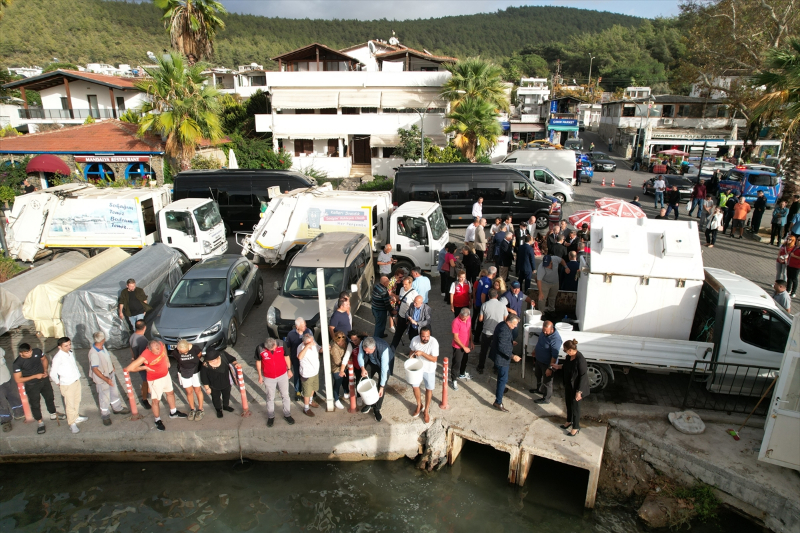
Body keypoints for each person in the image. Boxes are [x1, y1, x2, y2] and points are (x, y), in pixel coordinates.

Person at [126, 339, 187, 431]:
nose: (159, 352)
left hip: (166, 375)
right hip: (155, 380)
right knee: (156, 401)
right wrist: (144, 367)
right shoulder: (145, 355)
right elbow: (130, 368)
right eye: (156, 351)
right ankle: (157, 419)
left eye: (159, 349)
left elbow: (163, 348)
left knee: (170, 393)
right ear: (150, 349)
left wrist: (166, 358)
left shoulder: (160, 344)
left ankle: (173, 412)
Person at [13, 343, 63, 434]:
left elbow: (44, 359)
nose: (30, 353)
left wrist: (45, 370)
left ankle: (53, 414)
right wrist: (35, 376)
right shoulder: (17, 363)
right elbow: (18, 379)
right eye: (27, 353)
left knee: (50, 397)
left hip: (44, 381)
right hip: (32, 385)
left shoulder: (37, 352)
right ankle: (40, 422)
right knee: (35, 404)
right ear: (21, 353)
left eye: (31, 351)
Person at [88, 332, 129, 426]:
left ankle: (117, 408)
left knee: (114, 392)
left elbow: (108, 358)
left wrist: (112, 366)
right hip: (102, 378)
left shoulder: (102, 347)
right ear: (103, 340)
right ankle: (105, 415)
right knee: (104, 396)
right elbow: (95, 369)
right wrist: (106, 379)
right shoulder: (94, 353)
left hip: (110, 374)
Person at [50, 337, 88, 434]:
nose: (68, 347)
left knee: (77, 400)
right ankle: (72, 424)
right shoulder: (57, 358)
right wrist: (59, 383)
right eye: (66, 345)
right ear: (59, 347)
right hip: (67, 383)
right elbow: (53, 373)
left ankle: (76, 417)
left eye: (69, 344)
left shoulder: (70, 353)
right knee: (70, 404)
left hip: (75, 380)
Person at [255, 337, 294, 426]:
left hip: (282, 375)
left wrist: (289, 369)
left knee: (285, 395)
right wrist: (260, 376)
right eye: (272, 349)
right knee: (270, 397)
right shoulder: (259, 348)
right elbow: (258, 362)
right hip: (268, 377)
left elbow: (287, 356)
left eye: (275, 347)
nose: (275, 349)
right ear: (267, 348)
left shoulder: (281, 344)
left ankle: (287, 414)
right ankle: (271, 416)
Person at [489, 315, 521, 412]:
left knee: (501, 377)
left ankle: (501, 390)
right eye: (515, 324)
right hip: (502, 359)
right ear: (509, 322)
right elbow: (502, 347)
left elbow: (503, 341)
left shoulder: (502, 325)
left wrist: (511, 342)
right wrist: (513, 356)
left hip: (499, 357)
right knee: (503, 378)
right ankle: (498, 402)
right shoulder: (504, 330)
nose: (515, 326)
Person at [358, 336, 394, 422]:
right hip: (371, 362)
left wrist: (382, 386)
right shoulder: (363, 343)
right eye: (365, 350)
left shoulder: (384, 349)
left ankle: (377, 409)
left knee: (381, 388)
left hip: (382, 365)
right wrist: (363, 368)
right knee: (365, 381)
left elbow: (384, 369)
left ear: (374, 348)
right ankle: (369, 403)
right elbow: (360, 356)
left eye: (368, 351)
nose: (366, 352)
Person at [408, 326, 439, 423]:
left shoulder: (434, 342)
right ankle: (419, 405)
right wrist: (411, 356)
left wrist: (422, 353)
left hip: (429, 369)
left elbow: (434, 359)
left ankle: (426, 410)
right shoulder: (414, 340)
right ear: (419, 335)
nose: (426, 339)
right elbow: (411, 351)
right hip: (417, 368)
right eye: (423, 336)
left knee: (428, 389)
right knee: (415, 386)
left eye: (427, 336)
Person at [560, 339, 590, 437]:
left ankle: (576, 427)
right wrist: (558, 366)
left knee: (576, 407)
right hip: (569, 385)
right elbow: (566, 366)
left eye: (566, 350)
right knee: (568, 404)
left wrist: (579, 391)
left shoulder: (580, 359)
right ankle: (569, 421)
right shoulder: (569, 357)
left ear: (571, 350)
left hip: (577, 388)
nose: (565, 352)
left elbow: (583, 376)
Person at [200, 347, 241, 418]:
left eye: (215, 359)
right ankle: (218, 410)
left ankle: (226, 406)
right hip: (214, 385)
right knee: (216, 398)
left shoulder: (223, 355)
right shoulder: (205, 365)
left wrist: (236, 364)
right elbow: (204, 378)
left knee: (226, 395)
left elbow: (232, 359)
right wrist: (207, 388)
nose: (213, 361)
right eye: (211, 360)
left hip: (226, 382)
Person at [477, 289, 509, 374]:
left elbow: (480, 319)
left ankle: (481, 367)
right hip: (498, 332)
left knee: (483, 350)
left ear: (488, 296)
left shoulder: (484, 305)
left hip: (487, 331)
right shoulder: (502, 305)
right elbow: (506, 319)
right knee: (497, 350)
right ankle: (496, 367)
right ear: (497, 295)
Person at [171, 339, 204, 421]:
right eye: (182, 353)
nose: (185, 353)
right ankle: (192, 409)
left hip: (196, 371)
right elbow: (177, 360)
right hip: (183, 372)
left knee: (197, 390)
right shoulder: (175, 352)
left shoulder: (195, 348)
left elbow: (200, 355)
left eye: (186, 352)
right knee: (189, 391)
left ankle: (200, 409)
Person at [531, 321, 562, 404]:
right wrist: (535, 350)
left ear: (552, 329)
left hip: (547, 363)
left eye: (546, 331)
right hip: (539, 360)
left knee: (547, 382)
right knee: (538, 375)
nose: (544, 332)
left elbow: (554, 356)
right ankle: (539, 389)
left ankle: (546, 399)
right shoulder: (543, 333)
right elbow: (539, 342)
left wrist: (550, 368)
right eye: (543, 330)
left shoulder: (556, 339)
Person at [297, 331, 322, 417]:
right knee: (307, 392)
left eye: (312, 340)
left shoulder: (313, 343)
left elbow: (319, 349)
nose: (312, 342)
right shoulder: (301, 347)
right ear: (304, 342)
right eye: (310, 341)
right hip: (307, 373)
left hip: (315, 372)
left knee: (313, 388)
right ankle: (306, 408)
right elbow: (299, 357)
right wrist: (307, 346)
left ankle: (310, 401)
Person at [129, 320, 151, 409]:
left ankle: (147, 393)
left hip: (137, 361)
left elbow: (131, 349)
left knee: (146, 382)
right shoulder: (143, 340)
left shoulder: (132, 336)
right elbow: (144, 355)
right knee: (145, 382)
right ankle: (144, 399)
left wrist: (133, 357)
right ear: (145, 328)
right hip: (142, 365)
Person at [391, 276, 418, 349]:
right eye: (403, 284)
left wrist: (411, 319)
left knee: (412, 337)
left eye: (406, 284)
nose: (404, 286)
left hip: (409, 319)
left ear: (410, 284)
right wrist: (395, 299)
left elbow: (417, 308)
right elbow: (400, 298)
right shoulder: (402, 289)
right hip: (401, 316)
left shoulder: (414, 294)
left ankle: (414, 351)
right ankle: (391, 349)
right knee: (397, 334)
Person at [0, 350, 24, 432]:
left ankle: (19, 413)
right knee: (1, 402)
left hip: (6, 377)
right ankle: (6, 421)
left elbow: (3, 352)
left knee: (13, 396)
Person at [329, 331, 353, 410]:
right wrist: (347, 362)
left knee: (345, 380)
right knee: (337, 383)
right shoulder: (334, 347)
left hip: (344, 366)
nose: (342, 343)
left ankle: (346, 392)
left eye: (343, 341)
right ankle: (336, 399)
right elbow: (337, 362)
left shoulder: (345, 343)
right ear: (336, 340)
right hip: (337, 369)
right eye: (340, 342)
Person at [450, 308, 473, 390]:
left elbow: (469, 330)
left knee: (465, 360)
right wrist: (464, 347)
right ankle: (454, 379)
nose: (465, 319)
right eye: (463, 318)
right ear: (460, 315)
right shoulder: (455, 322)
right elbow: (455, 338)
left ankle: (462, 373)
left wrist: (471, 341)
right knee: (457, 363)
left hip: (466, 345)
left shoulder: (468, 318)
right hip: (458, 347)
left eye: (466, 318)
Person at [285, 317, 308, 400]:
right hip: (296, 358)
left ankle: (308, 390)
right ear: (297, 327)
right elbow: (288, 348)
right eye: (302, 326)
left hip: (307, 359)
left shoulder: (308, 332)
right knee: (297, 375)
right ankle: (297, 390)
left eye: (305, 325)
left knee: (307, 374)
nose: (304, 327)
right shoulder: (291, 334)